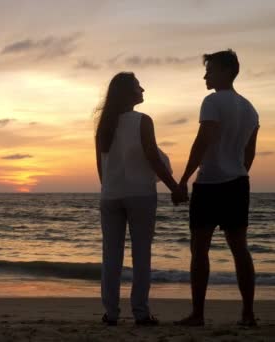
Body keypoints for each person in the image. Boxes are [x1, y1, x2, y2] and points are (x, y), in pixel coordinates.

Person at [173, 49, 260, 327]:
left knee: (200, 249)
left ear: (225, 71)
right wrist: (237, 172)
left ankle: (198, 314)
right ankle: (247, 314)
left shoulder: (211, 102)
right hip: (237, 182)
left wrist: (184, 178)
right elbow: (250, 154)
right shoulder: (250, 109)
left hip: (210, 183)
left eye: (209, 70)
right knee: (240, 249)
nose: (205, 75)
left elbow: (203, 141)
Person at [95, 72, 179, 326]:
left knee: (111, 257)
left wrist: (110, 188)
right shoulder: (143, 120)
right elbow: (152, 156)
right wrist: (174, 187)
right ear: (128, 93)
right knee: (141, 255)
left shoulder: (104, 126)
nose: (143, 90)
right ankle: (140, 313)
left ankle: (111, 314)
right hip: (140, 193)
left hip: (110, 195)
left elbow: (101, 168)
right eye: (138, 87)